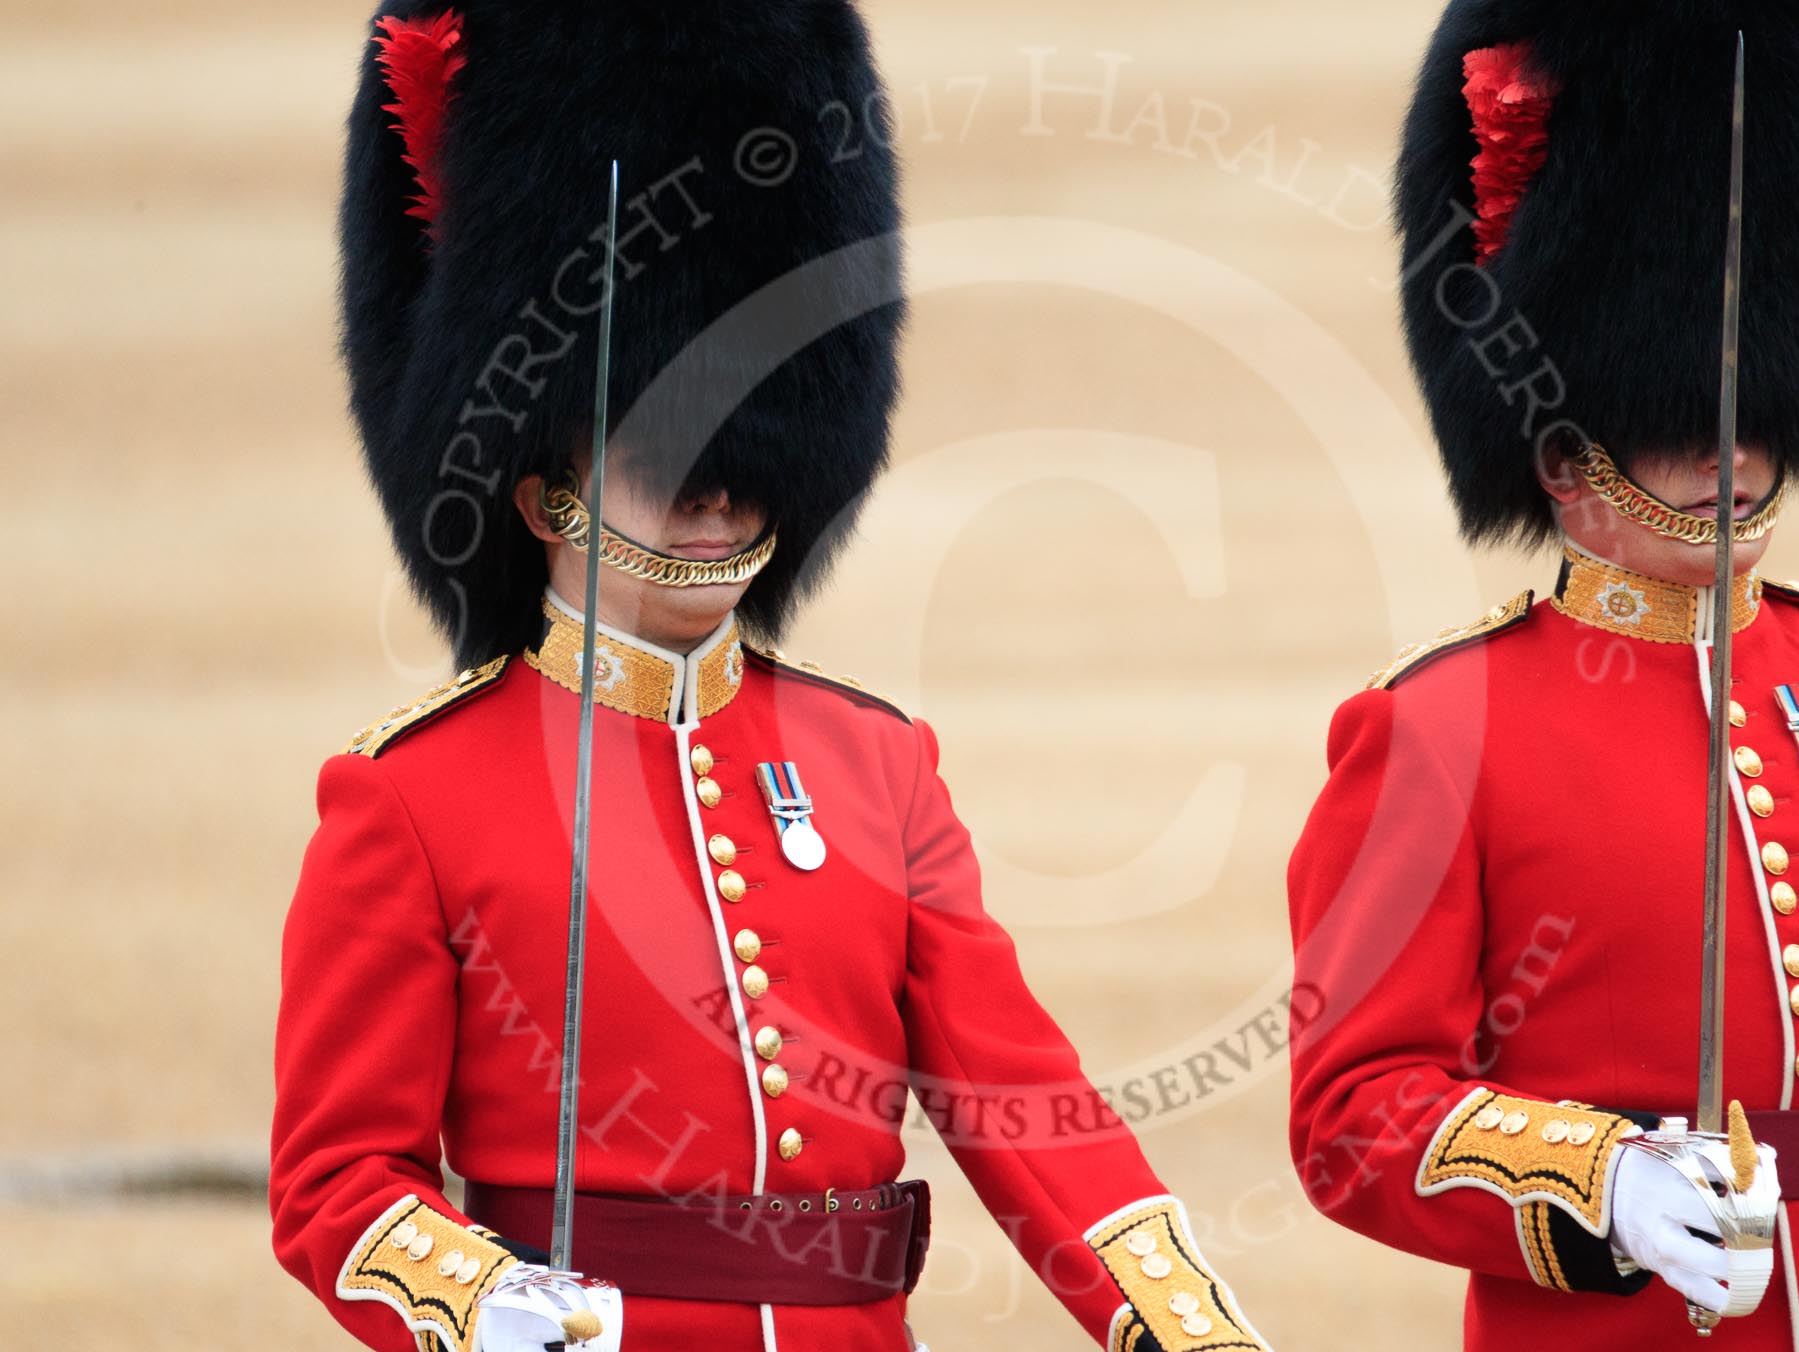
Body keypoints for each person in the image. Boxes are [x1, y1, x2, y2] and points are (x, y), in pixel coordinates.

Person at [269, 5, 1274, 1352]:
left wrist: (1184, 1325)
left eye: (744, 455)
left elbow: (1021, 1097)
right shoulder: (413, 798)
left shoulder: (876, 763)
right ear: (547, 492)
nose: (716, 494)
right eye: (662, 458)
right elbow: (337, 1178)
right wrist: (483, 1300)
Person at [1286, 1, 1799, 1348]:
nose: (1728, 454)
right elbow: (1355, 1110)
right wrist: (1599, 1182)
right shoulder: (1440, 730)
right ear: (1562, 455)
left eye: (1747, 415)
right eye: (1672, 424)